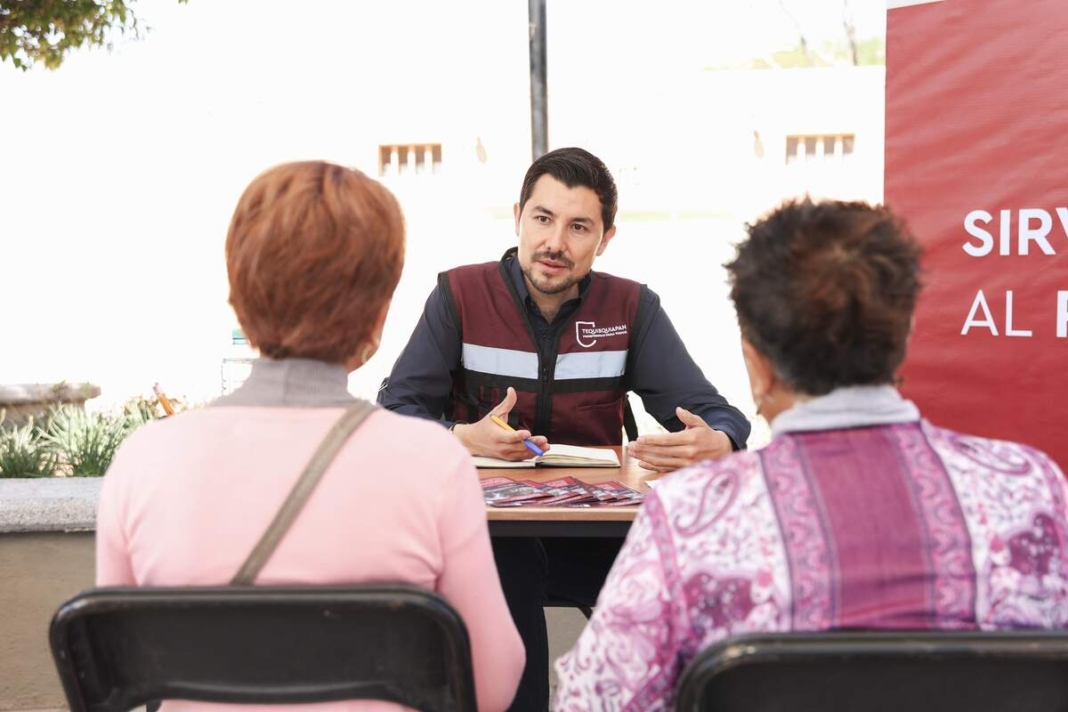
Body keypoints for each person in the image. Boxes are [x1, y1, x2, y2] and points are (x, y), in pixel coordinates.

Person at [554, 199, 1068, 709]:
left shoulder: (691, 518)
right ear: (904, 335)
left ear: (756, 362)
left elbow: (592, 703)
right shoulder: (1031, 489)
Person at [96, 161, 524, 712]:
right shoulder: (431, 464)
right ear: (378, 318)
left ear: (238, 297)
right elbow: (492, 682)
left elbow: (116, 680)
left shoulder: (142, 462)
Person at [378, 147, 750, 711]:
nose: (556, 243)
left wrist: (718, 439)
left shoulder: (631, 307)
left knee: (686, 603)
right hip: (489, 533)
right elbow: (395, 411)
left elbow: (712, 410)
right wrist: (459, 435)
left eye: (579, 227)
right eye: (543, 219)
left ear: (606, 239)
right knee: (510, 588)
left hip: (599, 532)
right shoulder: (459, 295)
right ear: (519, 217)